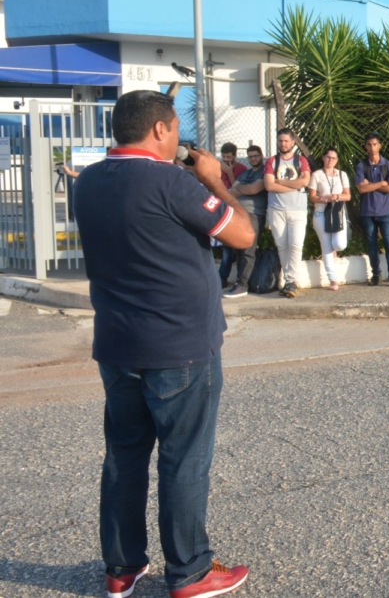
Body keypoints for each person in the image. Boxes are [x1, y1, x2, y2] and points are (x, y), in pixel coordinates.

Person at [73, 90, 254, 598]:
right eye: (175, 128)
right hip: (179, 347)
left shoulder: (87, 183)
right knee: (184, 458)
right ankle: (191, 571)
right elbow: (242, 234)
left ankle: (122, 567)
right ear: (158, 129)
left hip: (117, 345)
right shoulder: (172, 183)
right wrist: (215, 180)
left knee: (125, 458)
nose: (178, 137)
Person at [263, 128, 311, 298]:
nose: (283, 144)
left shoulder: (301, 160)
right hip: (276, 209)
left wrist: (279, 181)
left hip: (297, 210)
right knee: (282, 245)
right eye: (280, 141)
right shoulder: (272, 161)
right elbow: (269, 186)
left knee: (296, 244)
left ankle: (291, 279)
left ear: (293, 142)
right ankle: (288, 281)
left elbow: (305, 181)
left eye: (286, 141)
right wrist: (293, 184)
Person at [355, 132, 389, 287]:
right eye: (369, 144)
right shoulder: (362, 166)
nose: (372, 147)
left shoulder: (388, 165)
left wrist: (370, 185)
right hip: (367, 212)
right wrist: (382, 183)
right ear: (366, 146)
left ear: (379, 145)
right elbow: (361, 189)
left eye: (375, 144)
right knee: (371, 245)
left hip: (385, 211)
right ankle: (376, 274)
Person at [223, 145, 266, 298]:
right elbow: (231, 191)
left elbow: (254, 189)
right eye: (250, 156)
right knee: (238, 248)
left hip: (255, 214)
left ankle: (242, 285)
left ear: (261, 156)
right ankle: (238, 283)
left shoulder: (265, 172)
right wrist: (242, 188)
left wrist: (240, 189)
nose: (253, 158)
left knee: (248, 249)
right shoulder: (245, 173)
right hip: (238, 213)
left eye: (256, 155)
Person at [308, 148, 351, 290]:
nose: (330, 160)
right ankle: (333, 279)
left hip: (338, 213)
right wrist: (323, 199)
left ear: (337, 160)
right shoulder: (316, 175)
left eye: (333, 158)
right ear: (323, 158)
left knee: (339, 245)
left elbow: (348, 195)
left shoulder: (342, 175)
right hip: (321, 212)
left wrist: (336, 197)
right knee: (326, 247)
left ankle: (334, 252)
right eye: (328, 157)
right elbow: (312, 197)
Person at [216, 143, 248, 289]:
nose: (226, 159)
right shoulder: (219, 167)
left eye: (229, 157)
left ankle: (239, 279)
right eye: (224, 157)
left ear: (235, 156)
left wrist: (229, 172)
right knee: (226, 249)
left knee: (239, 249)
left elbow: (238, 189)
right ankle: (222, 277)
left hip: (237, 209)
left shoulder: (242, 169)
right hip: (223, 208)